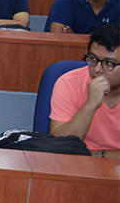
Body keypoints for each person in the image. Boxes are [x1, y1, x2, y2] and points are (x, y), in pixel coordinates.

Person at [50, 23, 119, 157]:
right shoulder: (69, 83)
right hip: (77, 165)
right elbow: (59, 147)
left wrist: (99, 155)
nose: (97, 70)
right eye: (93, 59)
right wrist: (90, 105)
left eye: (109, 63)